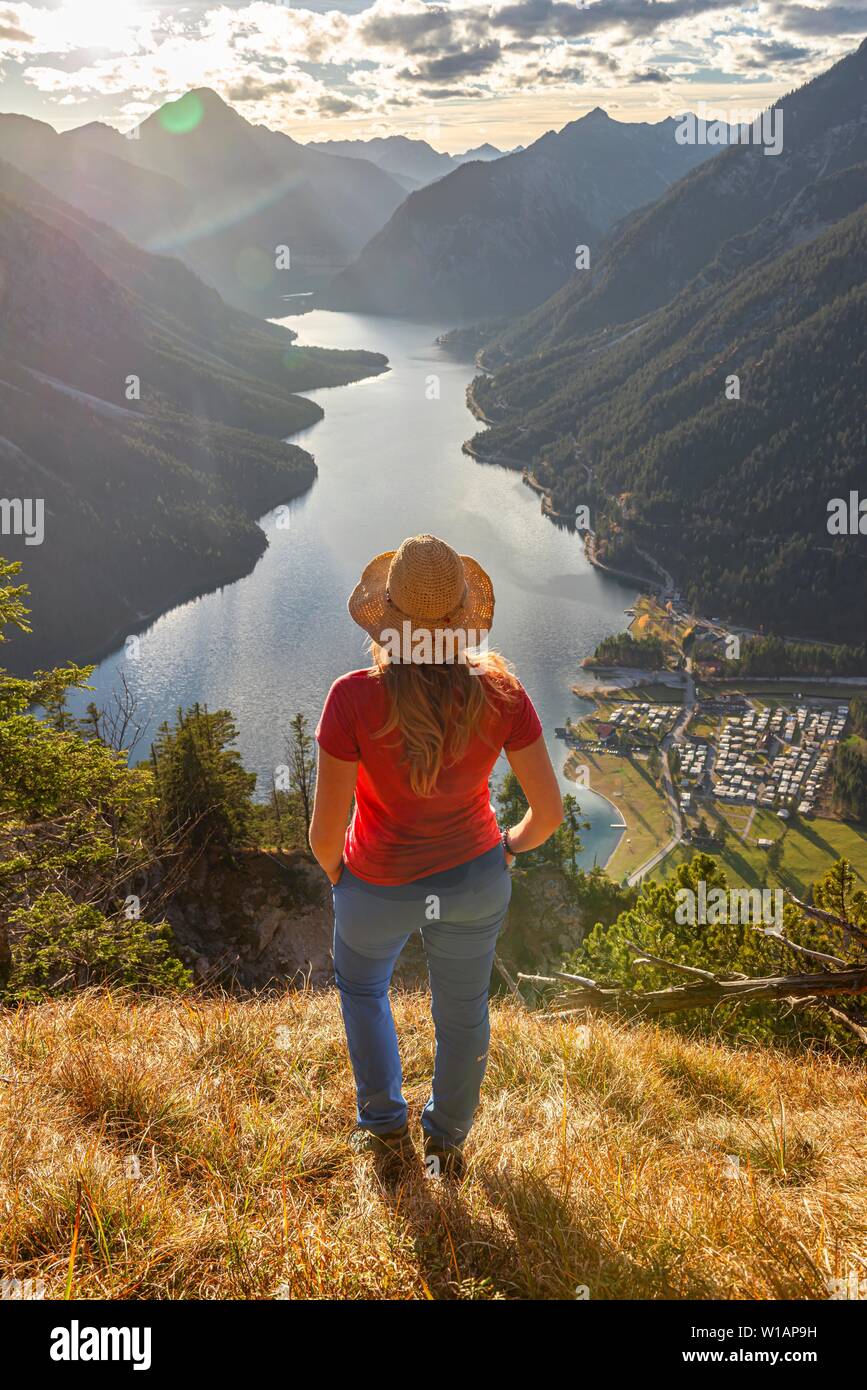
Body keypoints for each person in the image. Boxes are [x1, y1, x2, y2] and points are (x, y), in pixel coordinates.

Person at [309, 534, 563, 1180]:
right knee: (462, 1013)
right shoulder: (501, 693)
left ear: (387, 620)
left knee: (362, 989)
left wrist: (346, 881)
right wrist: (506, 848)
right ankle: (445, 1144)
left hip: (375, 884)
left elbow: (322, 836)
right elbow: (549, 815)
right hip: (474, 881)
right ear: (461, 621)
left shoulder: (351, 700)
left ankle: (385, 1126)